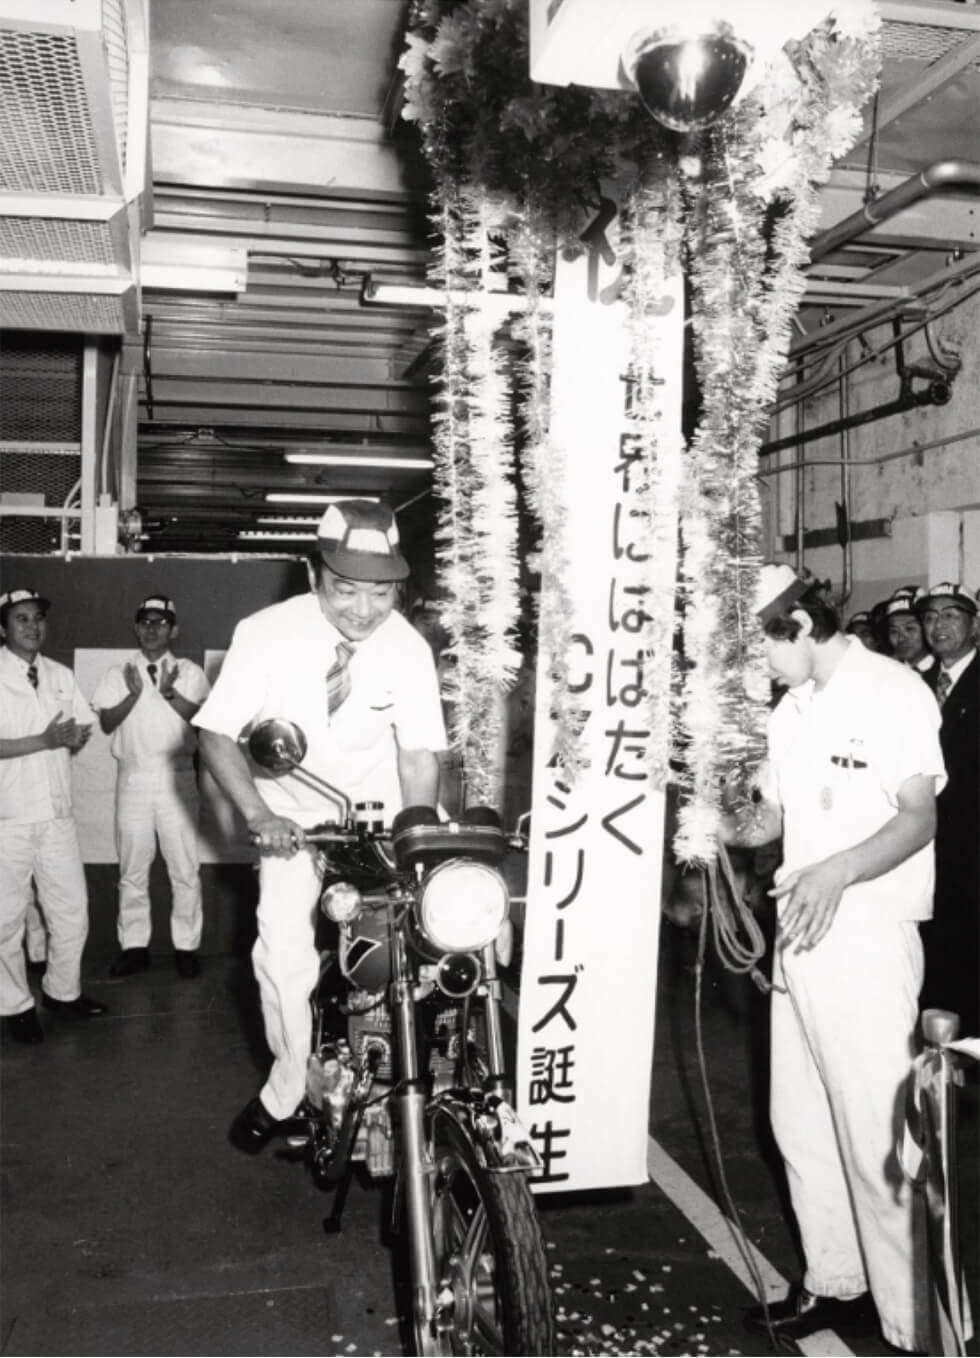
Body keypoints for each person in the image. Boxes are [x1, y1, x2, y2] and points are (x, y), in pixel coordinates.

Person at [724, 563, 945, 1353]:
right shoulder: (792, 709)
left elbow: (917, 819)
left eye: (763, 654)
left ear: (802, 628)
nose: (760, 673)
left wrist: (839, 868)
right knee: (802, 1119)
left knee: (878, 1133)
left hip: (864, 932)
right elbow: (765, 821)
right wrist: (709, 820)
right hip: (799, 929)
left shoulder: (893, 692)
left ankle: (913, 1320)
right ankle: (835, 1281)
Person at [193, 500, 447, 1152]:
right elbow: (217, 736)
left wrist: (416, 837)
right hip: (296, 818)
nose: (364, 609)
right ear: (314, 576)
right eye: (347, 590)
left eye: (382, 592)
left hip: (385, 811)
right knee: (282, 952)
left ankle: (443, 1074)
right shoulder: (265, 632)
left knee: (462, 922)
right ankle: (286, 1092)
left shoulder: (407, 647)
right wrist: (260, 815)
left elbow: (420, 753)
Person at [0, 587, 108, 1043]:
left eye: (38, 618)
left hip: (57, 814)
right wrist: (44, 741)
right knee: (5, 918)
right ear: (3, 628)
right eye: (21, 619)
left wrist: (74, 738)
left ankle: (63, 992)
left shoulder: (60, 674)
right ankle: (14, 1004)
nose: (33, 626)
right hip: (10, 818)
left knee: (71, 912)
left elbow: (80, 727)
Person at [91, 596, 211, 979]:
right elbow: (108, 723)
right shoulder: (119, 673)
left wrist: (168, 692)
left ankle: (187, 947)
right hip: (133, 778)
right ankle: (134, 946)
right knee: (132, 868)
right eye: (145, 622)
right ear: (136, 627)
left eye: (161, 623)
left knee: (184, 869)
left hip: (177, 778)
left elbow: (198, 718)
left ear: (173, 629)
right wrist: (134, 694)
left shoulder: (189, 672)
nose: (152, 628)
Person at [916, 581, 979, 1034]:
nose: (938, 626)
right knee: (935, 962)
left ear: (975, 624)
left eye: (951, 615)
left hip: (973, 852)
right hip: (925, 850)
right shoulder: (915, 687)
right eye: (931, 617)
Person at [885, 587, 938, 680]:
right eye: (894, 631)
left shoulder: (944, 673)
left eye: (910, 629)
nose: (901, 638)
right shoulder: (888, 674)